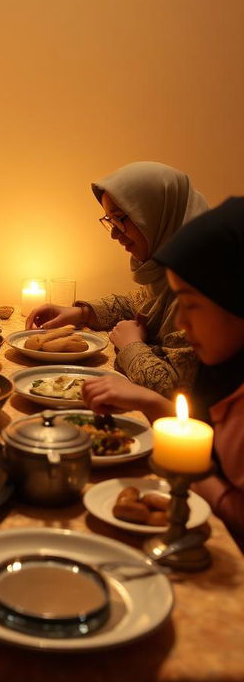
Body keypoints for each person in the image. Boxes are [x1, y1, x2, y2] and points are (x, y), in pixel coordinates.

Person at [82, 197, 244, 548]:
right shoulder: (225, 370)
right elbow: (202, 435)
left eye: (191, 305)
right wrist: (152, 404)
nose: (182, 322)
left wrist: (200, 480)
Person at [26, 161, 208, 395]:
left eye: (120, 218)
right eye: (109, 220)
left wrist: (131, 346)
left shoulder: (202, 285)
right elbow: (140, 303)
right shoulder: (166, 268)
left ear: (157, 215)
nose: (113, 233)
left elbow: (175, 392)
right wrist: (83, 313)